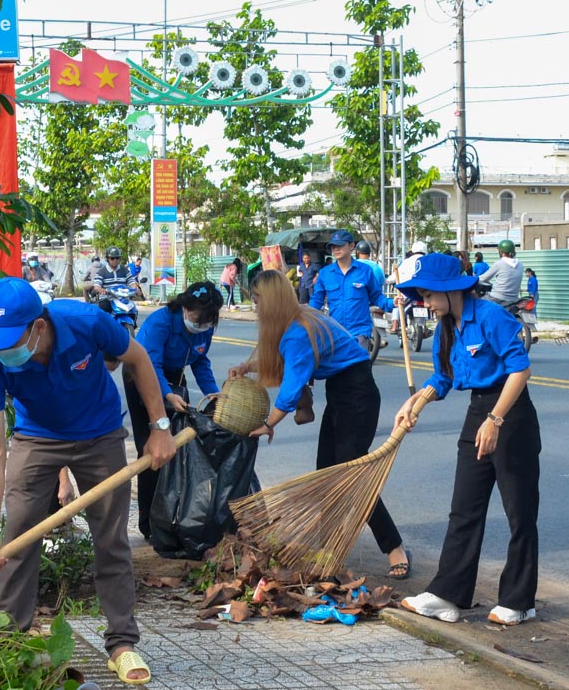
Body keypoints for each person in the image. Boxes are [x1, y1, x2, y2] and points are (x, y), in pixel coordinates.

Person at [0, 277, 176, 684]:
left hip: (99, 437)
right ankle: (9, 640)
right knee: (17, 539)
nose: (2, 349)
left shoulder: (86, 322)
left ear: (38, 327)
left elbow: (139, 359)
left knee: (111, 539)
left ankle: (122, 644)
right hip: (36, 440)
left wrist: (160, 426)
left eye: (10, 339)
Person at [229, 269, 410, 580]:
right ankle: (328, 546)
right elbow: (288, 362)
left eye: (258, 300)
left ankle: (395, 549)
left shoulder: (298, 329)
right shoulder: (295, 320)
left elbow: (291, 384)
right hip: (342, 392)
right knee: (327, 471)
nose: (255, 306)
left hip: (358, 394)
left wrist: (269, 424)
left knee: (350, 477)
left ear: (271, 301)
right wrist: (249, 365)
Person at [392, 253, 540, 626]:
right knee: (464, 509)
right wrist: (414, 404)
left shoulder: (490, 316)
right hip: (478, 412)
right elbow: (442, 377)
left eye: (427, 295)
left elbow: (519, 370)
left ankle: (520, 601)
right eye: (420, 296)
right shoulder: (447, 325)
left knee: (519, 513)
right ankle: (448, 595)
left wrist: (496, 419)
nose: (424, 303)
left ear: (447, 289)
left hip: (510, 414)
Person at [128, 281, 222, 536]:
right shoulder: (161, 323)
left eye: (206, 322)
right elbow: (150, 366)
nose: (199, 326)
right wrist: (167, 395)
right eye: (195, 319)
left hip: (174, 378)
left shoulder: (205, 327)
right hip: (143, 375)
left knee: (175, 446)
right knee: (152, 449)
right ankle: (149, 524)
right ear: (183, 307)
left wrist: (213, 394)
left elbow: (200, 361)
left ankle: (173, 515)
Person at [311, 229, 392, 353]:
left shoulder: (365, 271)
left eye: (340, 245)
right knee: (338, 371)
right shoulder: (325, 274)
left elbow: (376, 297)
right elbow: (316, 301)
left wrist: (393, 303)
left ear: (352, 246)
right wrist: (305, 316)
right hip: (336, 333)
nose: (335, 249)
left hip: (359, 333)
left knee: (358, 371)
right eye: (333, 246)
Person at [477, 240, 525, 307]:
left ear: (502, 252)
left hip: (497, 298)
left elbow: (483, 278)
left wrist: (472, 279)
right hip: (514, 299)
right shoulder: (520, 265)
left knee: (476, 303)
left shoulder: (499, 263)